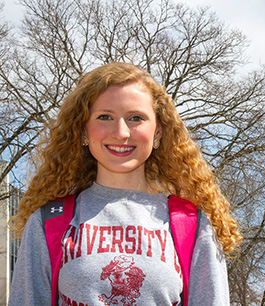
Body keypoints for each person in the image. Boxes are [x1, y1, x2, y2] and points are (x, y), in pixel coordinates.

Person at [9, 62, 242, 305]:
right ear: (83, 130)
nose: (121, 132)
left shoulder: (192, 225)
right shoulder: (49, 222)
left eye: (135, 118)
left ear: (158, 132)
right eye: (105, 117)